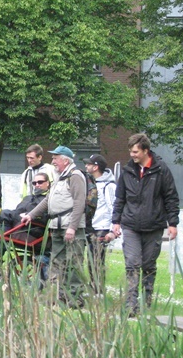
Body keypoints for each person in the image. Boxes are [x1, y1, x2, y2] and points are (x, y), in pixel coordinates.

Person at [106, 134, 179, 316]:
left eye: (136, 151)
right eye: (130, 151)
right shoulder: (127, 170)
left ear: (146, 151)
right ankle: (131, 305)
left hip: (153, 225)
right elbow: (120, 197)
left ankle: (146, 302)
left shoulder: (161, 170)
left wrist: (173, 223)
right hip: (130, 224)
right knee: (132, 263)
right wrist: (116, 221)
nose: (132, 155)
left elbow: (171, 197)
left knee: (148, 265)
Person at [21, 146, 87, 308]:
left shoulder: (76, 176)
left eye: (55, 158)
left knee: (73, 262)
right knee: (57, 262)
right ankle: (61, 295)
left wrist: (72, 227)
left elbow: (79, 203)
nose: (53, 161)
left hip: (70, 227)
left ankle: (76, 299)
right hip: (56, 226)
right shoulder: (59, 177)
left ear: (65, 160)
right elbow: (47, 201)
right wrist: (31, 215)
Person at [83, 154, 116, 294]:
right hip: (91, 226)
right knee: (90, 260)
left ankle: (98, 291)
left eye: (89, 164)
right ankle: (94, 287)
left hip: (102, 227)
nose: (86, 166)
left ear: (96, 167)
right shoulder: (91, 183)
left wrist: (111, 229)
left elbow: (113, 207)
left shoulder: (109, 186)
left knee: (97, 261)